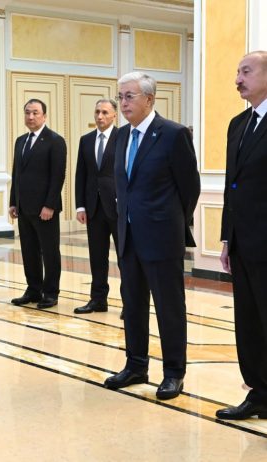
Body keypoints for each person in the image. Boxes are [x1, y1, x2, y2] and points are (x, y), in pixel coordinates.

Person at [103, 73, 200, 400]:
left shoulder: (172, 134)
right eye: (120, 96)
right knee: (132, 305)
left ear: (149, 99)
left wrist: (170, 221)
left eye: (129, 96)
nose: (123, 103)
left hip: (162, 237)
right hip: (128, 237)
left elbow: (190, 188)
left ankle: (173, 373)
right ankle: (136, 365)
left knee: (169, 307)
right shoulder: (121, 135)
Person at [217, 51, 267, 420]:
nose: (237, 79)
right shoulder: (238, 123)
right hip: (242, 242)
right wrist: (226, 237)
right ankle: (259, 393)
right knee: (248, 322)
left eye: (246, 72)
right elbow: (230, 185)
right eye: (237, 72)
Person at [9, 99, 67, 309]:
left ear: (44, 116)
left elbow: (58, 176)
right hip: (24, 207)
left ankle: (50, 292)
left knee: (49, 252)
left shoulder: (55, 141)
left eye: (35, 112)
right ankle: (33, 289)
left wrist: (50, 205)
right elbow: (16, 173)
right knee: (29, 250)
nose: (30, 116)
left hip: (45, 209)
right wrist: (13, 201)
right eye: (27, 112)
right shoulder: (20, 141)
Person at [73, 99, 121, 316]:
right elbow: (81, 175)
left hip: (118, 208)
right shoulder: (86, 140)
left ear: (114, 115)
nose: (100, 116)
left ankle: (130, 303)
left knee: (125, 258)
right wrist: (80, 206)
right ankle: (98, 299)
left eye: (104, 112)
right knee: (97, 257)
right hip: (93, 208)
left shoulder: (123, 137)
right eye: (97, 112)